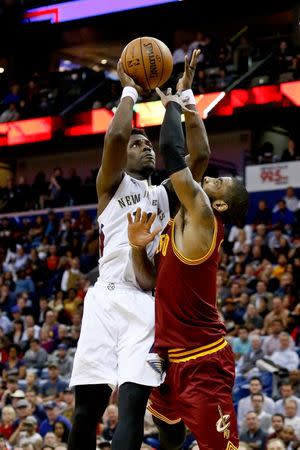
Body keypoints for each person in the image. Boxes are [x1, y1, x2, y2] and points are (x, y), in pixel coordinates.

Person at [69, 51, 202, 450]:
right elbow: (115, 136)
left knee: (132, 406)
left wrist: (184, 101)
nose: (145, 147)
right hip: (106, 296)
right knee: (86, 410)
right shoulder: (110, 186)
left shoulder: (164, 195)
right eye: (138, 143)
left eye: (149, 143)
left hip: (147, 300)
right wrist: (128, 88)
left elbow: (200, 158)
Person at [127, 73, 249, 448]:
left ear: (221, 205)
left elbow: (173, 152)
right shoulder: (181, 217)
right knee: (169, 437)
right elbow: (202, 154)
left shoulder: (202, 215)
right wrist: (188, 96)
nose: (210, 178)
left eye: (218, 184)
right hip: (168, 358)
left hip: (202, 362)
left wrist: (172, 108)